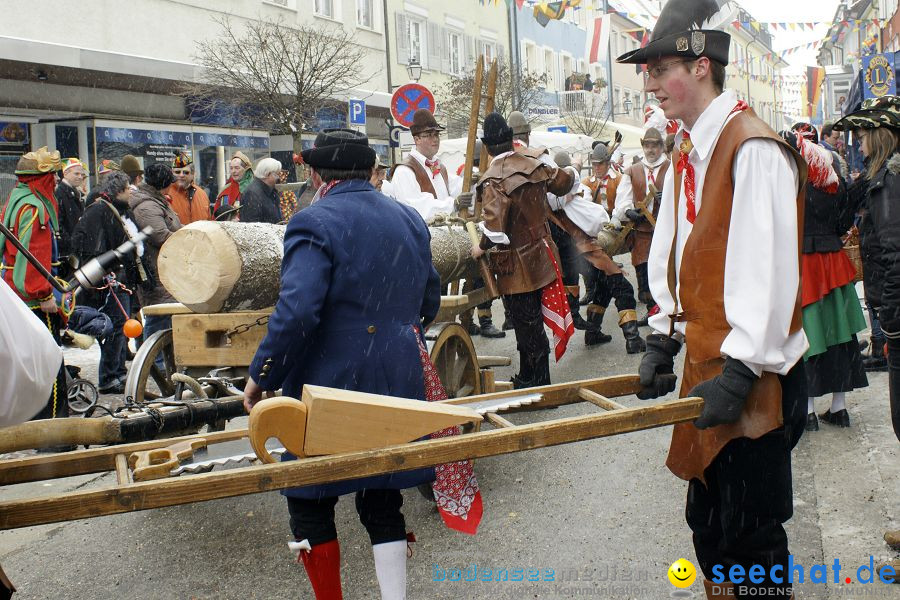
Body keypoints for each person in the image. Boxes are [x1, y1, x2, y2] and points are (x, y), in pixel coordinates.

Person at [619, 0, 808, 597]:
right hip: (708, 365)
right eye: (646, 72)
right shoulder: (685, 153)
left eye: (659, 68)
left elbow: (770, 275)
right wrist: (662, 334)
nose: (649, 84)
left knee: (751, 539)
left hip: (755, 376)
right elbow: (677, 255)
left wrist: (743, 368)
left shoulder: (752, 147)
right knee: (708, 527)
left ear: (702, 64)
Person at [243, 128, 441, 600]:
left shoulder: (314, 221)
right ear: (368, 169)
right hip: (395, 373)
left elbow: (297, 312)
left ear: (315, 172)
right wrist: (393, 334)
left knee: (309, 495)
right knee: (382, 493)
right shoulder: (407, 218)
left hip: (331, 383)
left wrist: (262, 375)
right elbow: (428, 297)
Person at [834, 94, 900, 581]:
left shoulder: (891, 182)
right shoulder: (883, 179)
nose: (857, 142)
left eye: (862, 134)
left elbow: (894, 253)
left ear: (880, 135)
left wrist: (892, 322)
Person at [471, 113, 578, 388]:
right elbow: (566, 183)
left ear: (487, 146)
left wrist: (479, 247)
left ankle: (537, 380)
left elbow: (495, 230)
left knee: (525, 322)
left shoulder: (493, 178)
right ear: (510, 140)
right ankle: (532, 375)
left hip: (516, 262)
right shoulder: (534, 162)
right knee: (530, 321)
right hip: (543, 251)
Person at [784, 123, 868, 431]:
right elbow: (844, 220)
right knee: (841, 337)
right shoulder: (834, 179)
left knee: (808, 338)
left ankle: (806, 412)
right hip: (833, 260)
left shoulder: (791, 180)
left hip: (804, 263)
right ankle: (839, 408)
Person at [0, 147, 69, 422]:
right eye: (52, 176)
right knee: (48, 361)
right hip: (33, 296)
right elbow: (34, 257)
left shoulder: (14, 200)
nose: (55, 181)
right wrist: (43, 295)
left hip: (14, 292)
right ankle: (52, 432)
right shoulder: (35, 208)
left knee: (29, 359)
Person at [71, 171, 144, 395]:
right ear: (118, 191)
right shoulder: (99, 210)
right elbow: (91, 246)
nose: (130, 193)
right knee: (115, 329)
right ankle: (109, 376)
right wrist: (108, 273)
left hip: (121, 277)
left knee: (121, 327)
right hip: (110, 281)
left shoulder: (118, 211)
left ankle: (118, 372)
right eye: (127, 189)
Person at [613, 126, 671, 324]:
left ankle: (667, 311)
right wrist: (627, 210)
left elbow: (684, 197)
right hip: (641, 233)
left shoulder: (672, 168)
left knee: (665, 272)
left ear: (662, 147)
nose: (650, 149)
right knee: (643, 275)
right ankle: (651, 309)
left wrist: (670, 197)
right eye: (647, 145)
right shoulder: (633, 170)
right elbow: (623, 198)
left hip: (665, 231)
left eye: (654, 145)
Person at [130, 163, 180, 341]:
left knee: (165, 315)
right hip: (156, 269)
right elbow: (160, 236)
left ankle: (159, 361)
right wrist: (188, 238)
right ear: (163, 183)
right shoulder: (146, 206)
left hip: (165, 268)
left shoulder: (156, 201)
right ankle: (154, 363)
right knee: (159, 315)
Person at [389, 109, 468, 221]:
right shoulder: (404, 170)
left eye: (437, 134)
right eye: (429, 135)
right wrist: (453, 204)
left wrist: (471, 182)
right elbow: (416, 207)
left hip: (444, 234)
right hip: (422, 235)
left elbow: (457, 187)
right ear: (417, 139)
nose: (435, 139)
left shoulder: (439, 167)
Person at [55, 158, 87, 279]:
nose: (80, 177)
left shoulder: (74, 194)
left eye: (82, 174)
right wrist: (72, 245)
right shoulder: (61, 194)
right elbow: (59, 226)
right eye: (76, 173)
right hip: (68, 255)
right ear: (65, 173)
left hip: (74, 252)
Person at [166, 152, 211, 225]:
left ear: (193, 174)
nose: (181, 175)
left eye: (186, 172)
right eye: (177, 172)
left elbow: (209, 221)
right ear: (172, 173)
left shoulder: (202, 194)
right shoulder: (165, 194)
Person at [240, 157, 283, 224]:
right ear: (267, 174)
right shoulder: (252, 193)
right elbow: (251, 224)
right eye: (276, 174)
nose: (278, 177)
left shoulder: (270, 191)